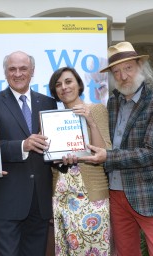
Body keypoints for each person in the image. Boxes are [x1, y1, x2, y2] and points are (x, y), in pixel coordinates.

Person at [79, 41, 153, 256]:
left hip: (150, 193)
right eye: (117, 71)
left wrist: (107, 157)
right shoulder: (112, 104)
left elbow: (151, 152)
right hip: (116, 194)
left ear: (140, 67)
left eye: (128, 68)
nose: (123, 76)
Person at [0, 51, 58, 256]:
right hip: (7, 200)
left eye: (23, 68)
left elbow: (53, 148)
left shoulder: (48, 103)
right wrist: (22, 145)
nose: (17, 73)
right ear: (5, 73)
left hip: (39, 202)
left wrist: (65, 158)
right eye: (12, 69)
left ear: (32, 71)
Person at [48, 67, 112, 255]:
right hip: (61, 195)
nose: (64, 87)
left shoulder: (96, 109)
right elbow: (52, 161)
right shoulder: (53, 119)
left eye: (68, 81)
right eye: (58, 84)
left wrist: (90, 121)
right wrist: (59, 160)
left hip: (89, 194)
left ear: (79, 84)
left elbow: (105, 151)